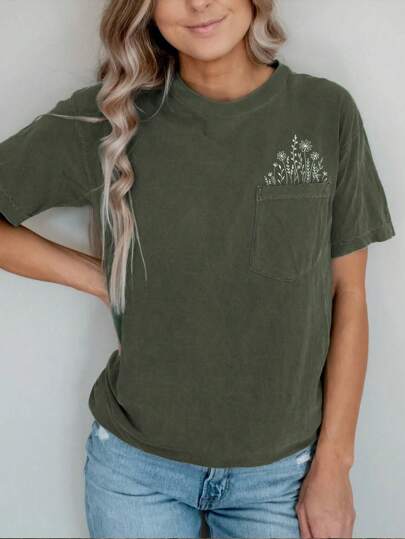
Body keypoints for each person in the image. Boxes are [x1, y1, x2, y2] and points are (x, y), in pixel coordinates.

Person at [0, 0, 396, 538]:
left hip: (281, 479)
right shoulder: (112, 118)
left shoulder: (326, 113)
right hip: (136, 473)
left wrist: (336, 465)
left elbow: (349, 294)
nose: (199, 4)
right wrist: (99, 277)